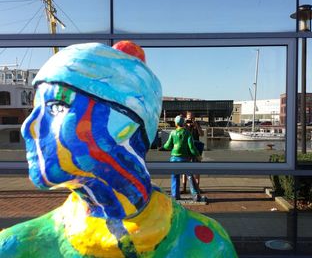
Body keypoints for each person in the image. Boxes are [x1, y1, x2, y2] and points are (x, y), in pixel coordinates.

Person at [0, 42, 237, 257]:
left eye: (56, 107)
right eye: (35, 108)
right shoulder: (16, 247)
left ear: (124, 123)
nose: (28, 127)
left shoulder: (208, 247)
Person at [163, 115, 206, 202]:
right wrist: (198, 155)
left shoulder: (172, 133)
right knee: (190, 176)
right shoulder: (187, 133)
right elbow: (192, 147)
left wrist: (163, 146)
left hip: (174, 158)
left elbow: (167, 146)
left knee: (174, 176)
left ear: (175, 123)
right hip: (184, 158)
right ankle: (195, 195)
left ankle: (175, 195)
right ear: (183, 123)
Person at [182, 111, 204, 193]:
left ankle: (197, 188)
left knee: (197, 168)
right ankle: (184, 188)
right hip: (187, 149)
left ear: (194, 118)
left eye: (191, 118)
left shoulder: (196, 124)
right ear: (186, 118)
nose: (190, 119)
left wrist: (196, 126)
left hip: (196, 148)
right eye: (188, 118)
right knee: (185, 168)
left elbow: (202, 134)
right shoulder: (184, 126)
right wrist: (186, 126)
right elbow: (183, 136)